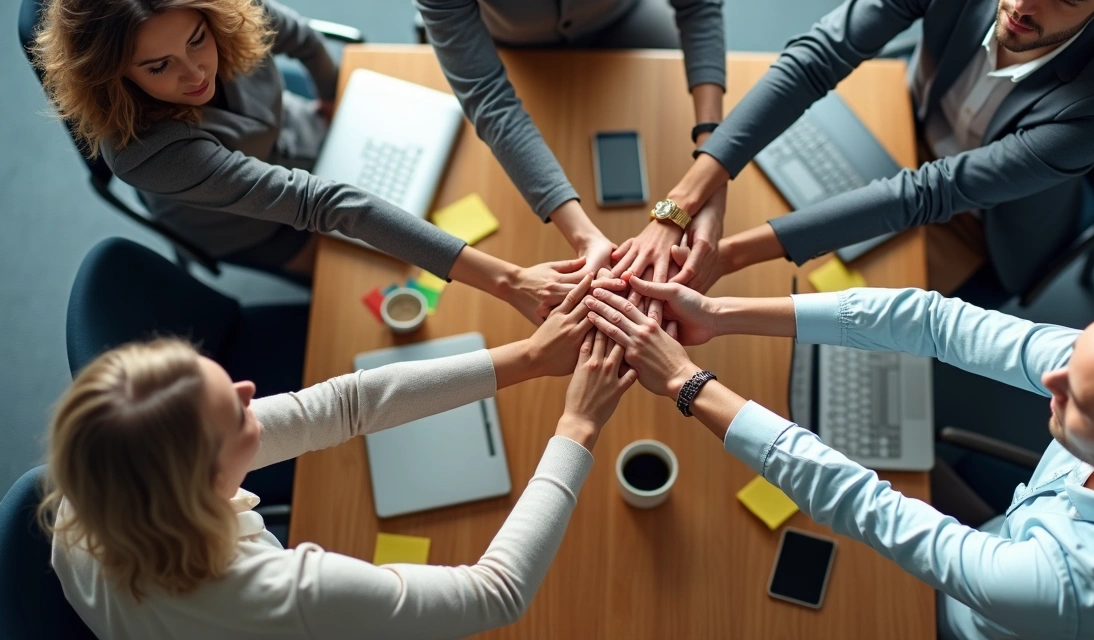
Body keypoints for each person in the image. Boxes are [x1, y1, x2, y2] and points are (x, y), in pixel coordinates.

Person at [582, 273, 1094, 639]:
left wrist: (689, 384)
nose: (1051, 378)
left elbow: (863, 503)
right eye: (1074, 356)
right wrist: (718, 313)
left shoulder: (1066, 588)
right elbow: (933, 322)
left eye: (1073, 396)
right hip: (1007, 537)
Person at [41, 274, 638, 639]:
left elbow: (346, 406)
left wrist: (530, 357)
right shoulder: (286, 592)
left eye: (225, 381)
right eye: (238, 412)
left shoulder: (102, 481)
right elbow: (495, 592)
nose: (252, 393)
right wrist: (577, 425)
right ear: (201, 482)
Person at [33, 0, 577, 323]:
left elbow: (304, 39)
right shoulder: (143, 155)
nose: (195, 73)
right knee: (379, 289)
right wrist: (509, 283)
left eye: (198, 41)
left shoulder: (224, 13)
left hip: (304, 134)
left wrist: (332, 94)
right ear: (114, 75)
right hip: (252, 225)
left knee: (445, 180)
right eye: (159, 67)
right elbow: (322, 203)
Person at [643, 0, 1094, 300]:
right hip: (909, 120)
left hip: (978, 221)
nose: (1024, 6)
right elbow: (817, 61)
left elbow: (930, 194)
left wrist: (725, 256)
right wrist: (679, 208)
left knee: (839, 341)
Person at [416, 0, 728, 298]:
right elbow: (489, 100)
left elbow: (699, 6)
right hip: (511, 46)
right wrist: (585, 236)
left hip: (622, 20)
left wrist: (710, 154)